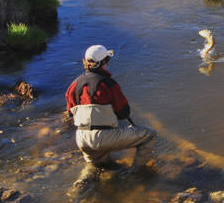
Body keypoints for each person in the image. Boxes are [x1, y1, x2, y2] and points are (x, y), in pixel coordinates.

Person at [65, 44, 157, 183]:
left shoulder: (74, 85)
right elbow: (123, 113)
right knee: (149, 135)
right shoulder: (109, 84)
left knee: (97, 165)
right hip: (103, 137)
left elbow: (70, 113)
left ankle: (81, 183)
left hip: (82, 138)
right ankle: (134, 174)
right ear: (104, 62)